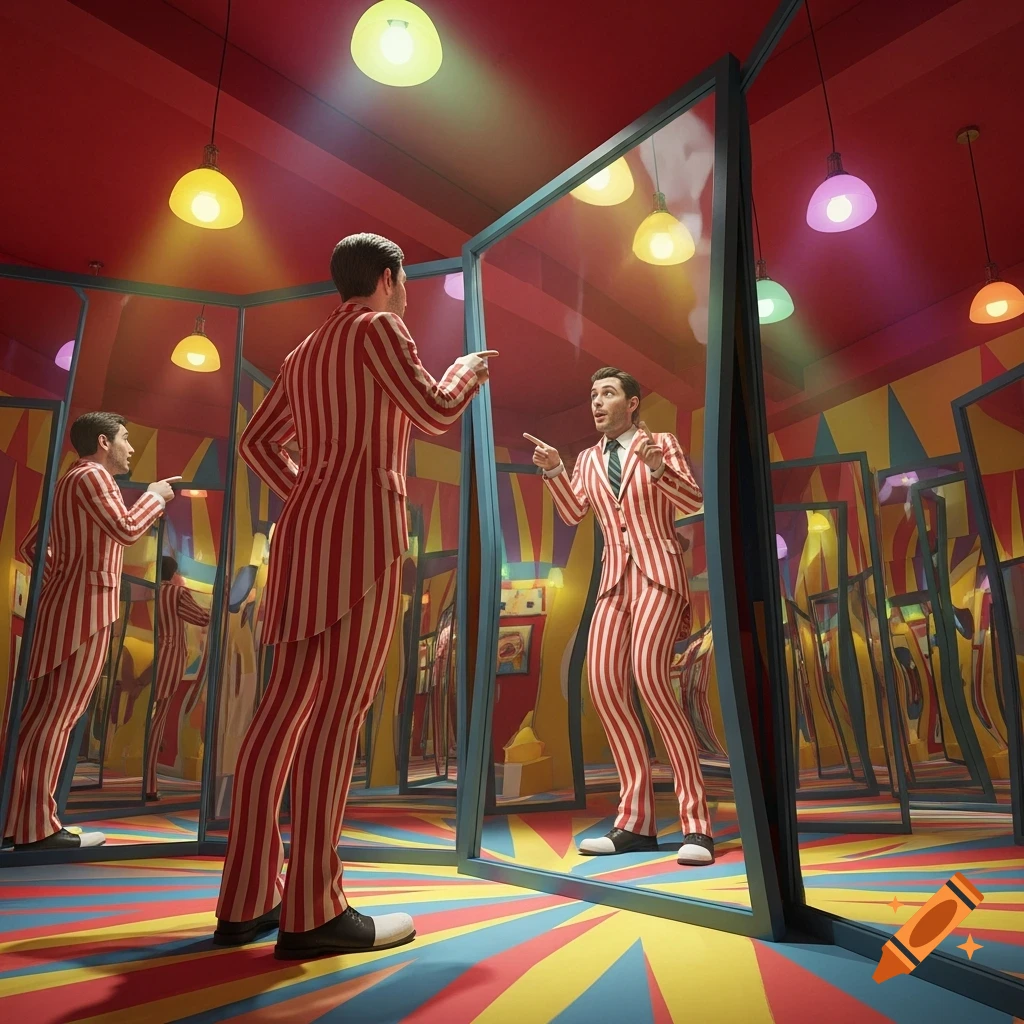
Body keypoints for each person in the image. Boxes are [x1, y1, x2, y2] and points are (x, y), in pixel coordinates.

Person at [214, 233, 495, 959]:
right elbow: (432, 411)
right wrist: (466, 371)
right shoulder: (381, 328)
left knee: (279, 716)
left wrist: (308, 491)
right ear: (389, 277)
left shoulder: (303, 352)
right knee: (337, 718)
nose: (405, 294)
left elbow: (255, 445)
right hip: (365, 540)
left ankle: (245, 901)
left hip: (301, 540)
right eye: (403, 281)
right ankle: (313, 908)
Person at [524, 367, 714, 865]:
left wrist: (658, 469)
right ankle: (635, 823)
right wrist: (553, 471)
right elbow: (572, 513)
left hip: (657, 573)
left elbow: (693, 501)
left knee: (650, 679)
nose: (596, 402)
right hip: (613, 582)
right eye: (592, 395)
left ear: (631, 404)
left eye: (607, 393)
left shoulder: (662, 443)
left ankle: (696, 824)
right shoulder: (587, 459)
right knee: (605, 684)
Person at [5, 413, 178, 849]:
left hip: (63, 611)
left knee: (41, 719)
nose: (131, 448)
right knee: (56, 720)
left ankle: (18, 821)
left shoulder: (69, 480)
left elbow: (31, 546)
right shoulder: (95, 477)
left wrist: (63, 580)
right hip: (87, 614)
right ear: (103, 442)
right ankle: (36, 828)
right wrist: (155, 496)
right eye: (125, 439)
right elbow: (126, 528)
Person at [146, 555, 211, 800]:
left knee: (152, 716)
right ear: (174, 573)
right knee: (159, 716)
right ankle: (149, 784)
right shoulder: (175, 593)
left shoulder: (153, 591)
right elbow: (202, 618)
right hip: (170, 656)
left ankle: (147, 780)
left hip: (155, 654)